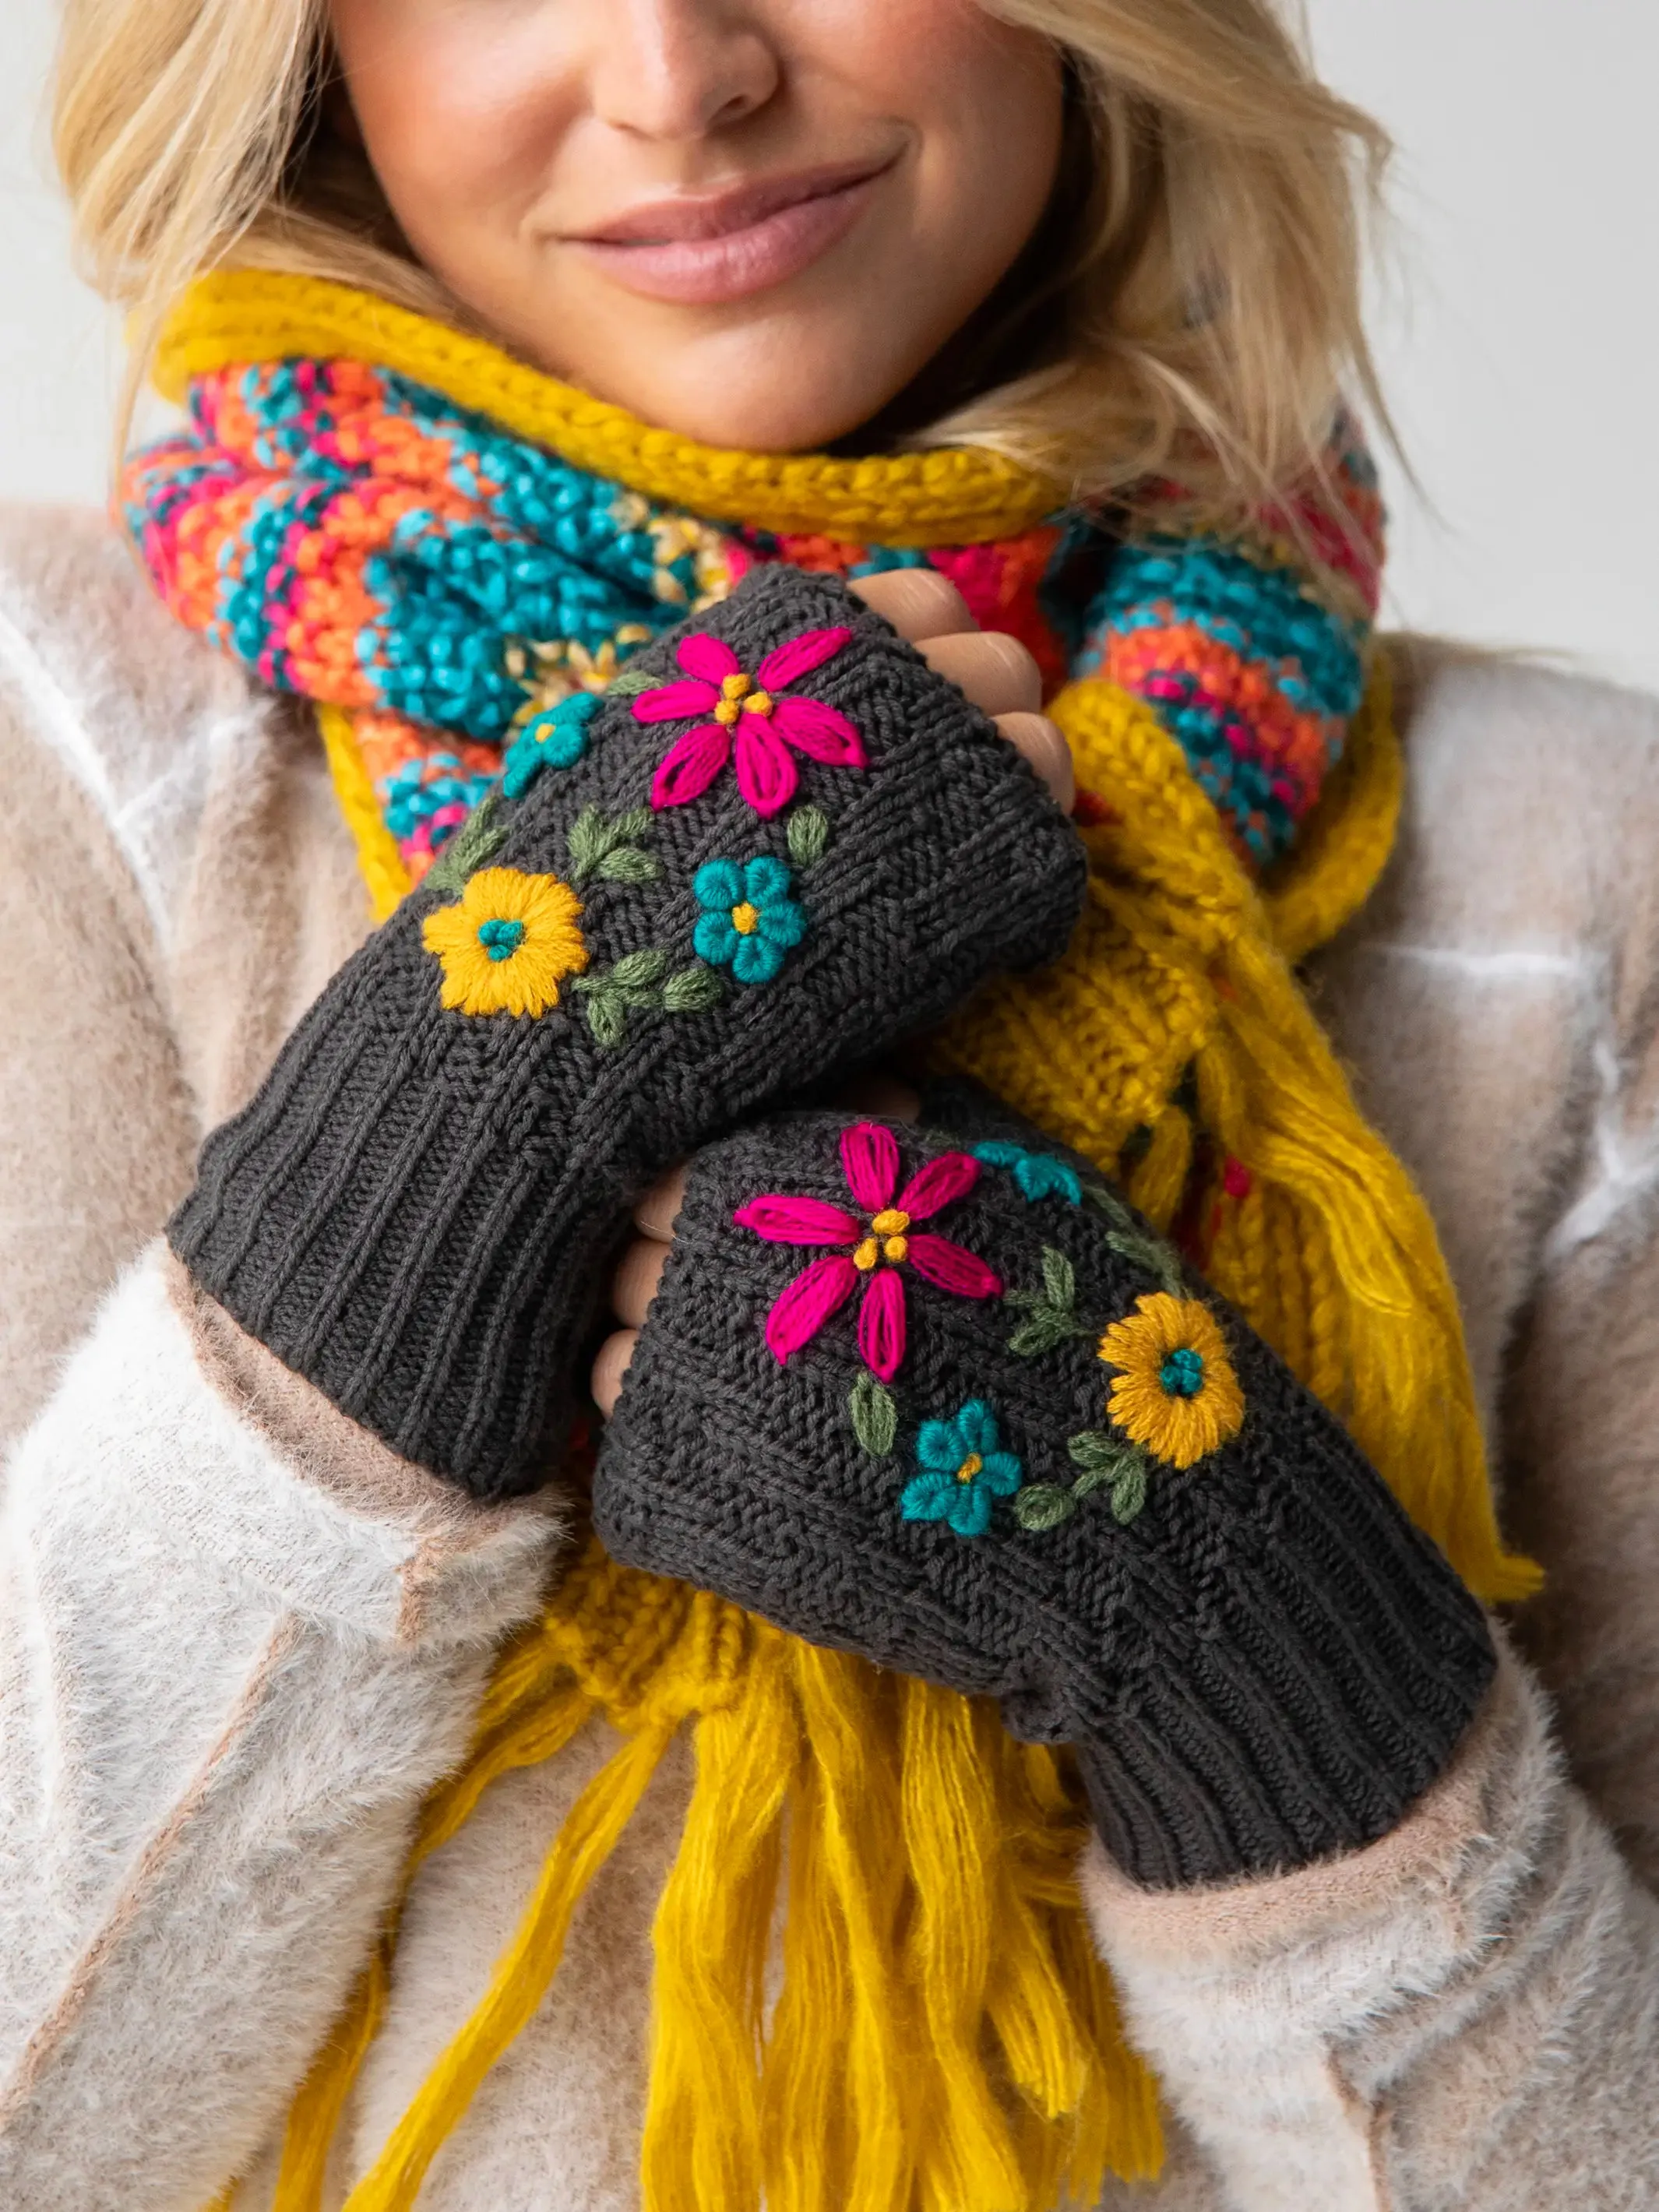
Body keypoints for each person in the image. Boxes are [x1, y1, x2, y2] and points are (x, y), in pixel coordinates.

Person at [3, 0, 1657, 2206]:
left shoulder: (1564, 875)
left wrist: (1238, 1629)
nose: (680, 77)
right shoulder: (74, 758)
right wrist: (429, 1148)